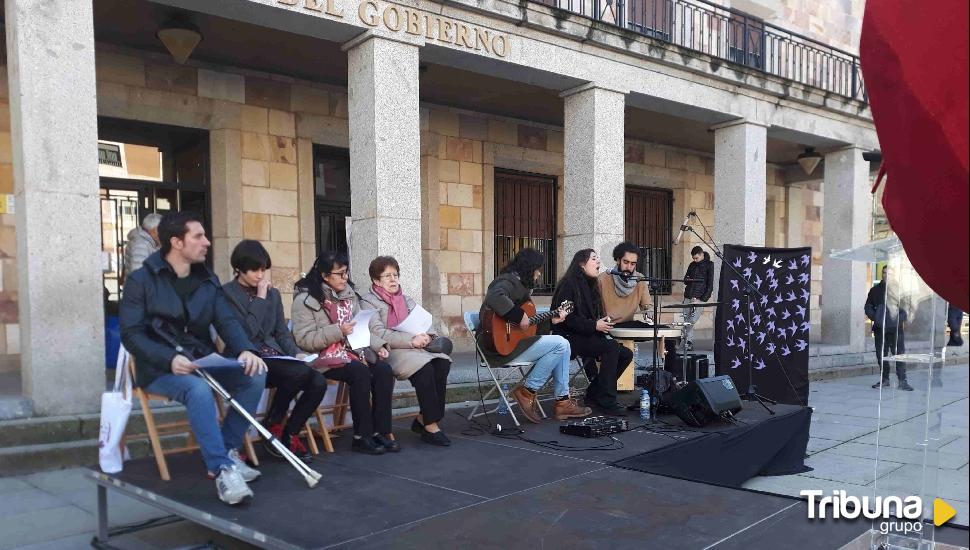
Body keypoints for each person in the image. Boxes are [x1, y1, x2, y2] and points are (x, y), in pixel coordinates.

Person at [120, 212, 267, 506]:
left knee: (255, 374)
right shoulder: (141, 280)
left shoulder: (207, 279)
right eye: (198, 236)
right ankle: (222, 469)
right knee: (196, 389)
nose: (207, 242)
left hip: (201, 360)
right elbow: (131, 334)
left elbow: (226, 321)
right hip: (159, 368)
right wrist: (167, 359)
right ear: (176, 242)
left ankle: (225, 450)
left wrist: (245, 349)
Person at [223, 240, 327, 463]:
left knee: (318, 381)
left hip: (275, 356)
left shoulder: (274, 294)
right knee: (297, 373)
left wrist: (296, 353)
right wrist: (260, 298)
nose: (260, 275)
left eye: (263, 269)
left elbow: (281, 332)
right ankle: (273, 423)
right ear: (239, 268)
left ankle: (288, 433)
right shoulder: (227, 294)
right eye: (254, 269)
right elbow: (244, 335)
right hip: (245, 358)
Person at [290, 250, 399, 455]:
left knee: (384, 370)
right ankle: (361, 436)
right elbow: (304, 340)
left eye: (346, 272)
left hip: (350, 352)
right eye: (339, 273)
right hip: (322, 358)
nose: (345, 278)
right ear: (324, 275)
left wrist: (379, 345)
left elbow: (361, 330)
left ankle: (381, 432)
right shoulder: (305, 300)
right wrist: (337, 331)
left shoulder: (349, 295)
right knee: (360, 372)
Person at [481, 248, 591, 423]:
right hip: (499, 349)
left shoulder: (520, 287)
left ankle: (562, 402)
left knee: (563, 345)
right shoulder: (506, 281)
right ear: (528, 268)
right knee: (561, 344)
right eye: (538, 269)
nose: (539, 274)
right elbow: (494, 297)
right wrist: (518, 315)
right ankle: (527, 391)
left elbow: (528, 327)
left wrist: (550, 321)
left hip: (516, 345)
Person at [360, 256, 453, 446]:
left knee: (442, 362)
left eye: (395, 275)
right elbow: (378, 332)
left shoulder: (405, 299)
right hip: (390, 349)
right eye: (387, 276)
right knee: (425, 369)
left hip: (417, 348)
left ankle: (424, 418)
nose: (393, 279)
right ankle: (431, 425)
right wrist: (411, 341)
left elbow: (424, 323)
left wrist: (428, 336)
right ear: (376, 281)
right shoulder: (367, 301)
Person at [552, 249, 634, 416]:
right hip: (568, 338)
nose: (598, 263)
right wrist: (594, 326)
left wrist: (604, 321)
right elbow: (568, 319)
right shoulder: (569, 284)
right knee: (611, 347)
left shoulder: (592, 285)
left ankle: (595, 393)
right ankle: (606, 400)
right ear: (582, 264)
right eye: (594, 259)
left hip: (585, 335)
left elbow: (590, 318)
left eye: (598, 259)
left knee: (626, 354)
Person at [865, 265, 913, 391]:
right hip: (880, 329)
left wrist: (896, 320)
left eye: (890, 273)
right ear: (882, 274)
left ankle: (903, 381)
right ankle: (884, 379)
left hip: (896, 330)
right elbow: (868, 306)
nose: (887, 275)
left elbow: (906, 310)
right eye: (885, 273)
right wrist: (876, 317)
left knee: (899, 355)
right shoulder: (874, 290)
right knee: (881, 355)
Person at [596, 242, 653, 326]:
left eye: (633, 264)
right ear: (618, 260)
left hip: (629, 325)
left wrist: (649, 313)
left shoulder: (640, 279)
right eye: (626, 262)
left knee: (663, 330)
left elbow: (647, 306)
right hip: (607, 326)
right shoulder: (602, 278)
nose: (629, 267)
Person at [682, 246, 714, 351]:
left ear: (701, 254)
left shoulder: (710, 265)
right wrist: (687, 279)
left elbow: (710, 285)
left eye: (696, 258)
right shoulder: (692, 264)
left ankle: (685, 339)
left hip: (699, 298)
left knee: (691, 320)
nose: (695, 260)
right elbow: (685, 280)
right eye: (693, 258)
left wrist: (702, 299)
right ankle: (688, 342)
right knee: (686, 319)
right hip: (688, 296)